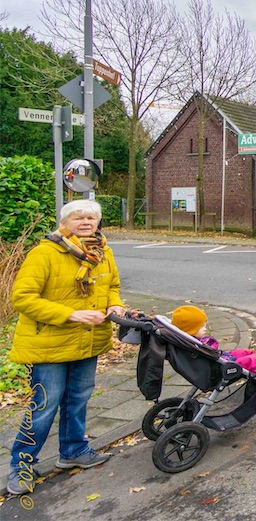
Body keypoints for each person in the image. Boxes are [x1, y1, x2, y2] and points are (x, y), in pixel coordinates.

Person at [6, 200, 125, 496]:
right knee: (44, 406)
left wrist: (115, 305)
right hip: (50, 342)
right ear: (64, 222)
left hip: (89, 339)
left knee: (78, 399)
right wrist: (70, 314)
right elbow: (22, 298)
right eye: (78, 217)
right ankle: (21, 466)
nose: (85, 221)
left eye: (91, 217)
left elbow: (112, 286)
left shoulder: (103, 252)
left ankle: (73, 450)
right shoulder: (45, 252)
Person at [170, 305, 256, 378]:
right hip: (219, 367)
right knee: (249, 360)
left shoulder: (190, 342)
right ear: (191, 330)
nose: (205, 328)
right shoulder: (197, 344)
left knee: (245, 352)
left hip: (221, 359)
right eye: (201, 327)